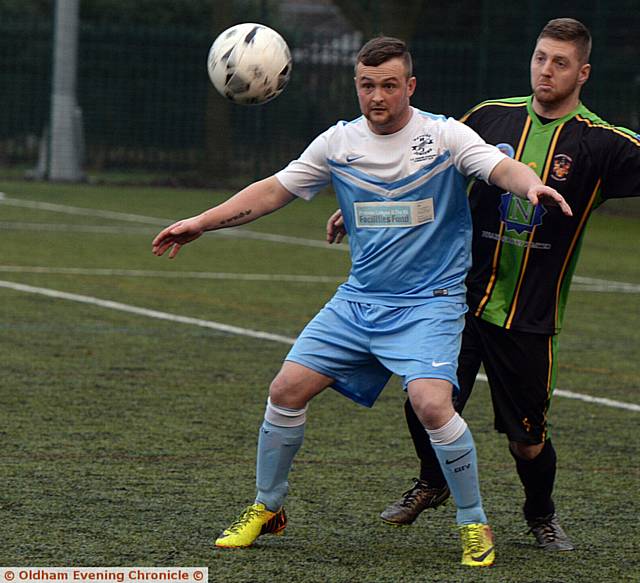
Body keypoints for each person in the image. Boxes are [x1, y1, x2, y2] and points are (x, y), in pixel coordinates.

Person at [152, 36, 571, 567]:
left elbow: (496, 166)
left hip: (430, 304)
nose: (377, 96)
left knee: (432, 404)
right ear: (357, 85)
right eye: (367, 85)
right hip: (359, 302)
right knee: (286, 390)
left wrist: (529, 185)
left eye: (389, 85)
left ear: (409, 87)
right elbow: (270, 191)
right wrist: (200, 224)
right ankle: (267, 507)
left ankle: (474, 522)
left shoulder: (443, 136)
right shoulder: (337, 144)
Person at [327, 18, 640, 552]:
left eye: (560, 63)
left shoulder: (604, 145)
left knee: (527, 441)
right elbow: (423, 165)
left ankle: (540, 515)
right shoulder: (489, 116)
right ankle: (432, 482)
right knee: (425, 399)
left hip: (529, 314)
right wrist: (357, 206)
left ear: (582, 72)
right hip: (454, 296)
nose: (546, 69)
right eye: (541, 57)